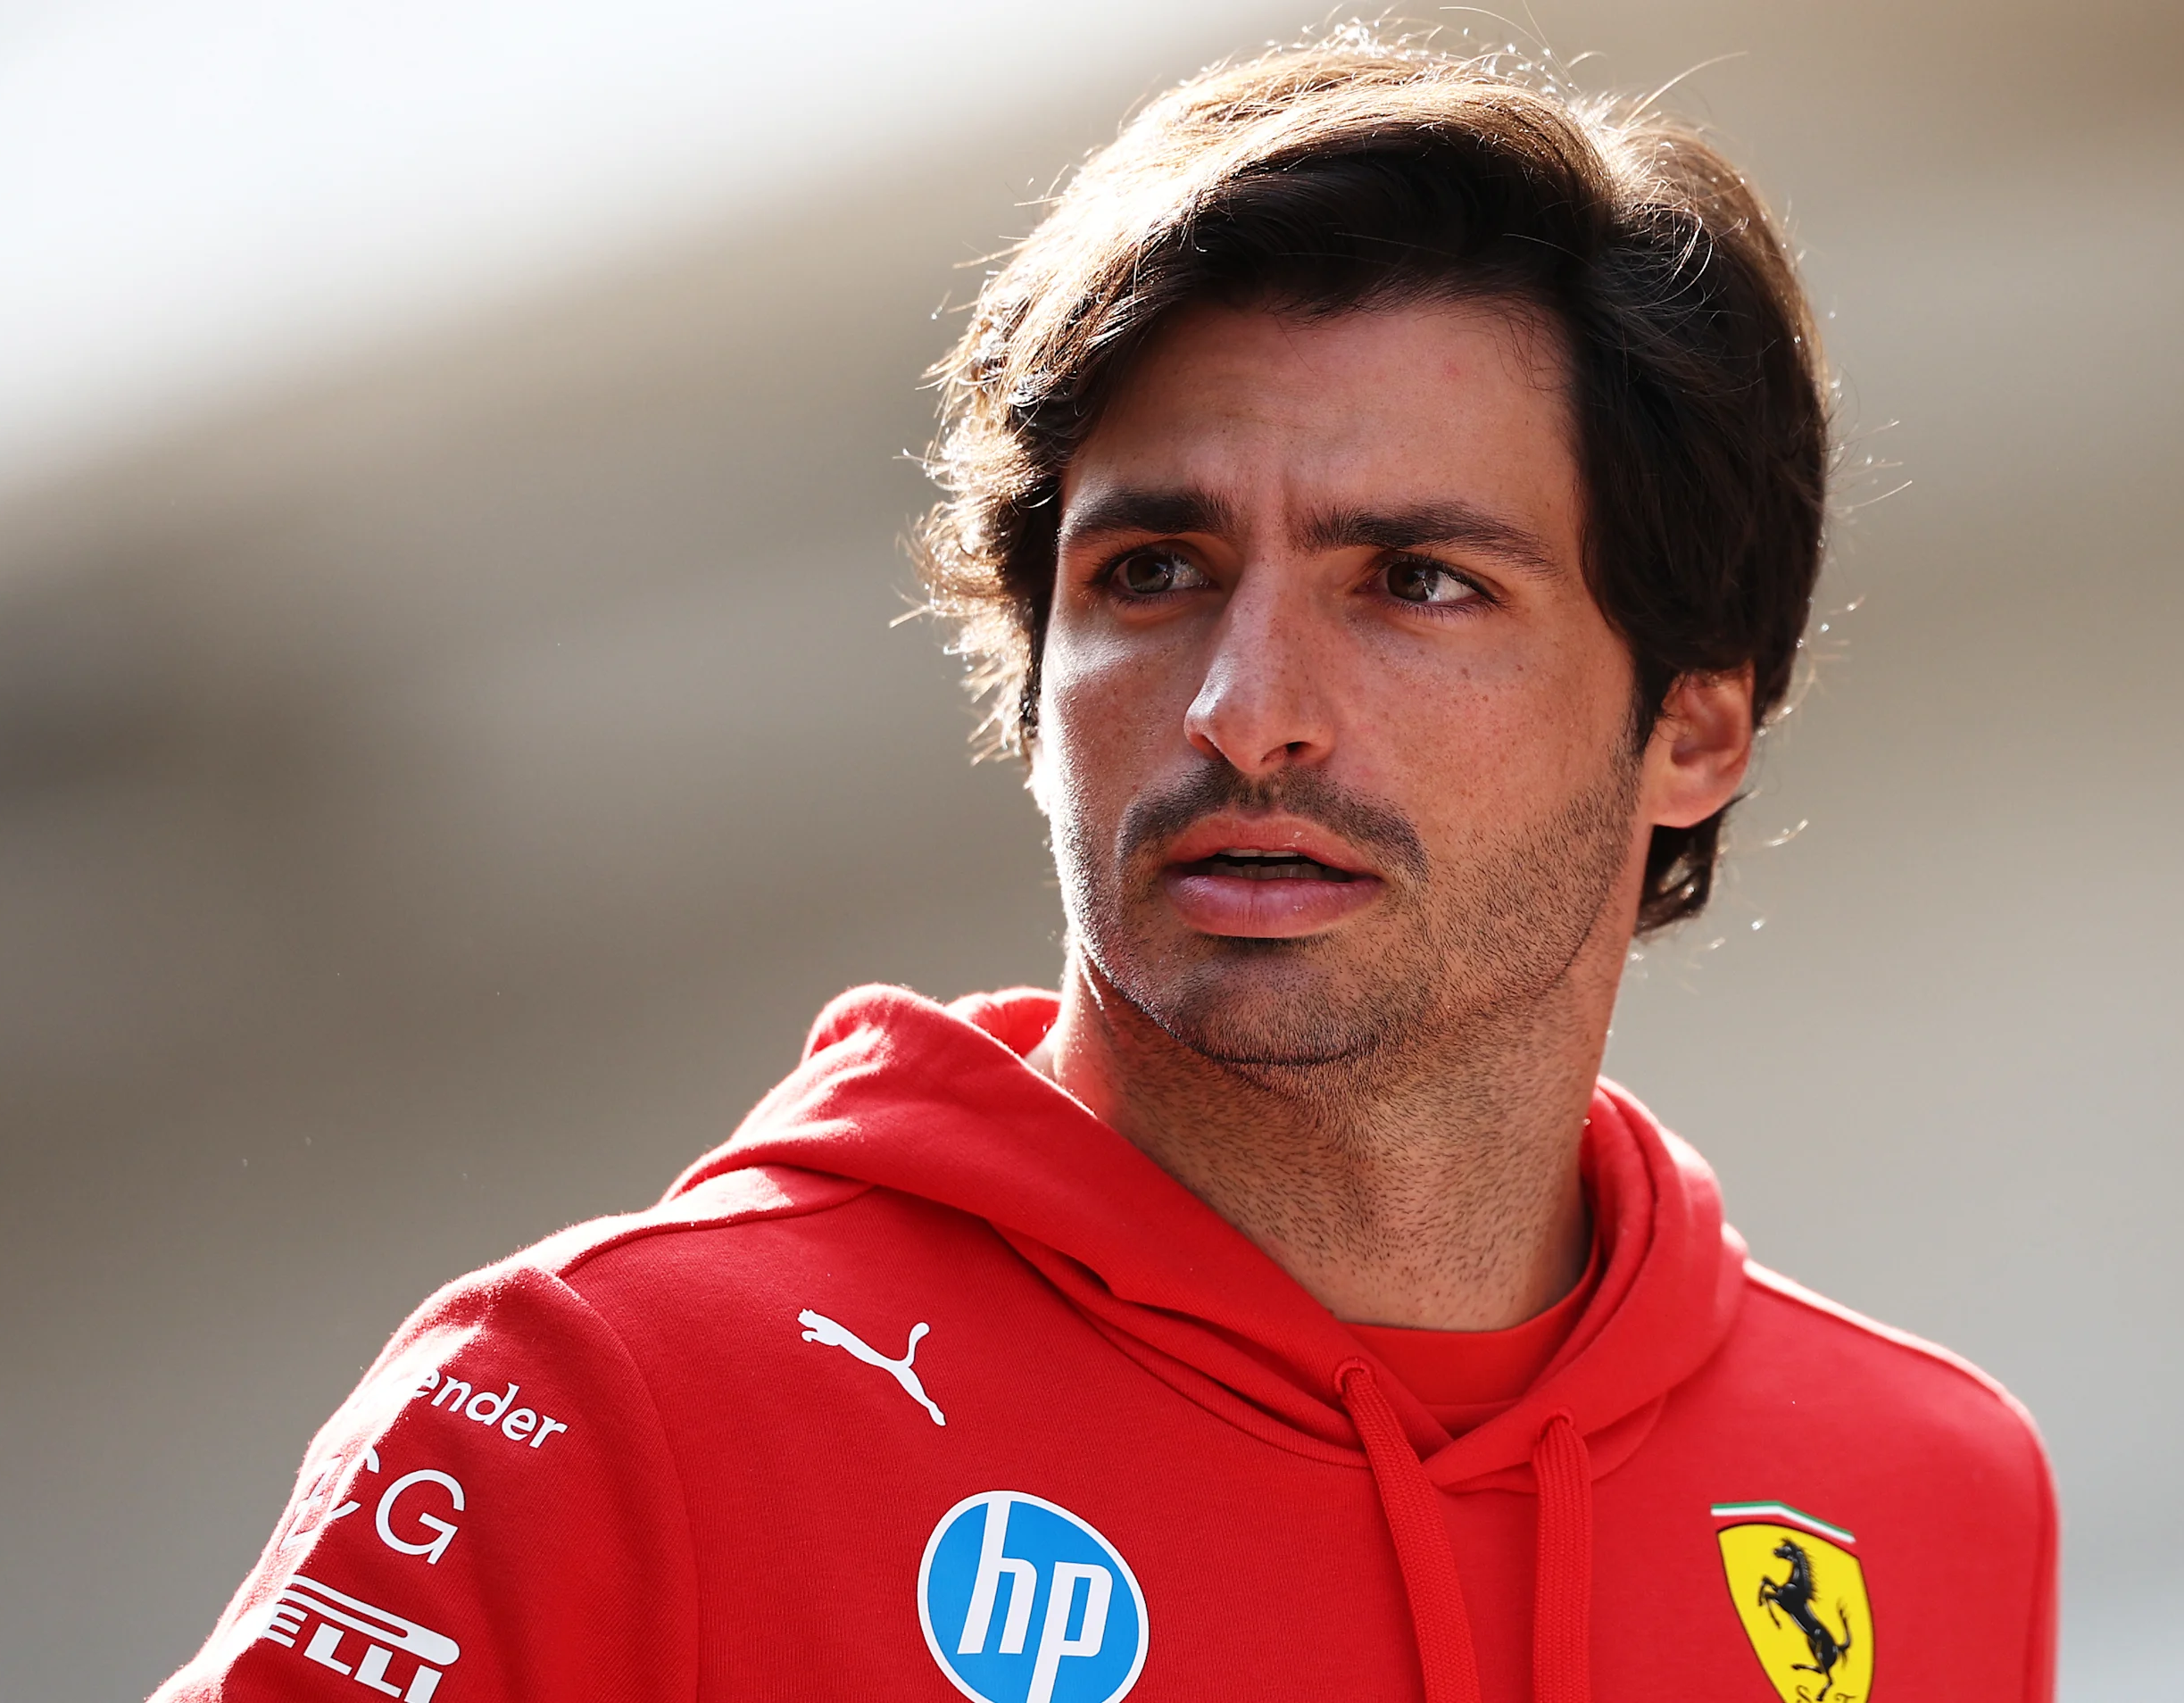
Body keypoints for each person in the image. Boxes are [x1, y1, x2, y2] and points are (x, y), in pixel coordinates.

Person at [155, 30, 2054, 1703]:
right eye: (1151, 574)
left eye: (1416, 583)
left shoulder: (1924, 1498)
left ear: (1693, 727)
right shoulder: (607, 1409)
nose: (1249, 711)